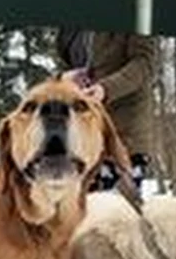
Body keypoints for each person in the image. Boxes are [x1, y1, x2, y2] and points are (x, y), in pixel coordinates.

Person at [55, 29, 158, 196]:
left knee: (118, 209)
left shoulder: (136, 16)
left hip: (123, 134)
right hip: (80, 138)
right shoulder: (69, 28)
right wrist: (63, 78)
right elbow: (66, 63)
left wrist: (106, 89)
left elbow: (144, 64)